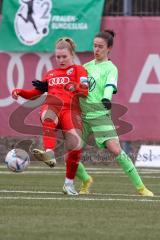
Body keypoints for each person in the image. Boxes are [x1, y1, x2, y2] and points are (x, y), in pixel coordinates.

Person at [76, 29, 154, 196]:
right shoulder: (85, 67)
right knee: (72, 151)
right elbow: (78, 88)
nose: (96, 50)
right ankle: (85, 180)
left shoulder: (111, 68)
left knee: (116, 150)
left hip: (99, 114)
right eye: (95, 46)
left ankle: (141, 188)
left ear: (109, 48)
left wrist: (106, 98)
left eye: (100, 47)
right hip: (82, 116)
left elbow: (109, 85)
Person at [12, 37, 90, 195]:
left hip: (70, 111)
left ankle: (68, 184)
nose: (60, 60)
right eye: (58, 57)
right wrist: (20, 91)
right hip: (52, 106)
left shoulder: (79, 70)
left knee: (76, 147)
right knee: (48, 114)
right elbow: (35, 94)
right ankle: (49, 152)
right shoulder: (50, 74)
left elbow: (84, 91)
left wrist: (74, 86)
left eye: (64, 56)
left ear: (72, 55)